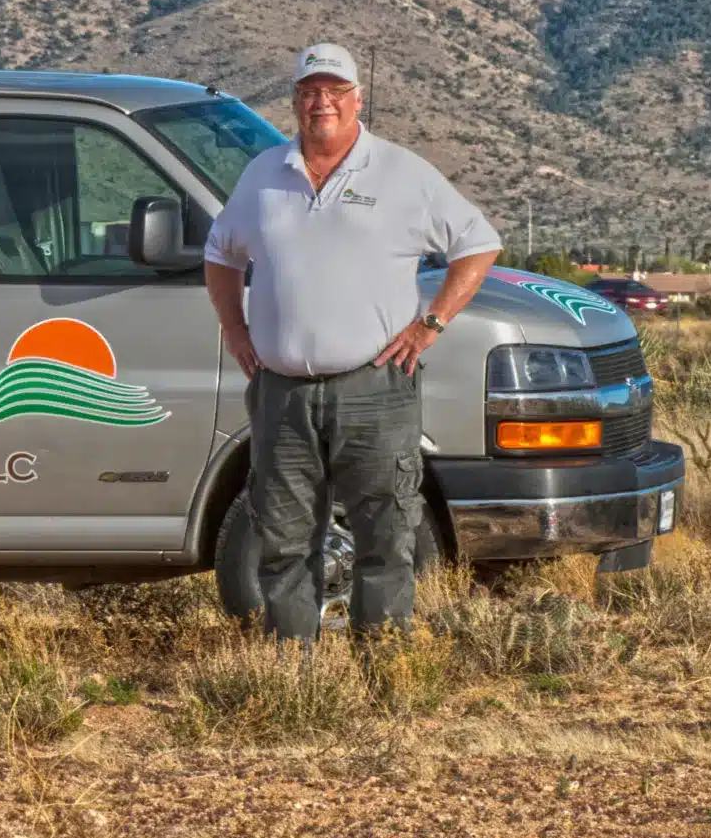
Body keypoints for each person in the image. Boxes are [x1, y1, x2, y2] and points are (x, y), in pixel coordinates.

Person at [203, 43, 501, 640]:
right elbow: (219, 253)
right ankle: (294, 677)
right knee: (283, 541)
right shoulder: (264, 174)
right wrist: (234, 329)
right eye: (311, 92)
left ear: (357, 98)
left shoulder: (401, 173)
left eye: (335, 91)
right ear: (295, 103)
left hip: (374, 389)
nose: (322, 103)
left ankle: (382, 670)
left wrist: (431, 323)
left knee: (385, 537)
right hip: (281, 393)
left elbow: (479, 242)